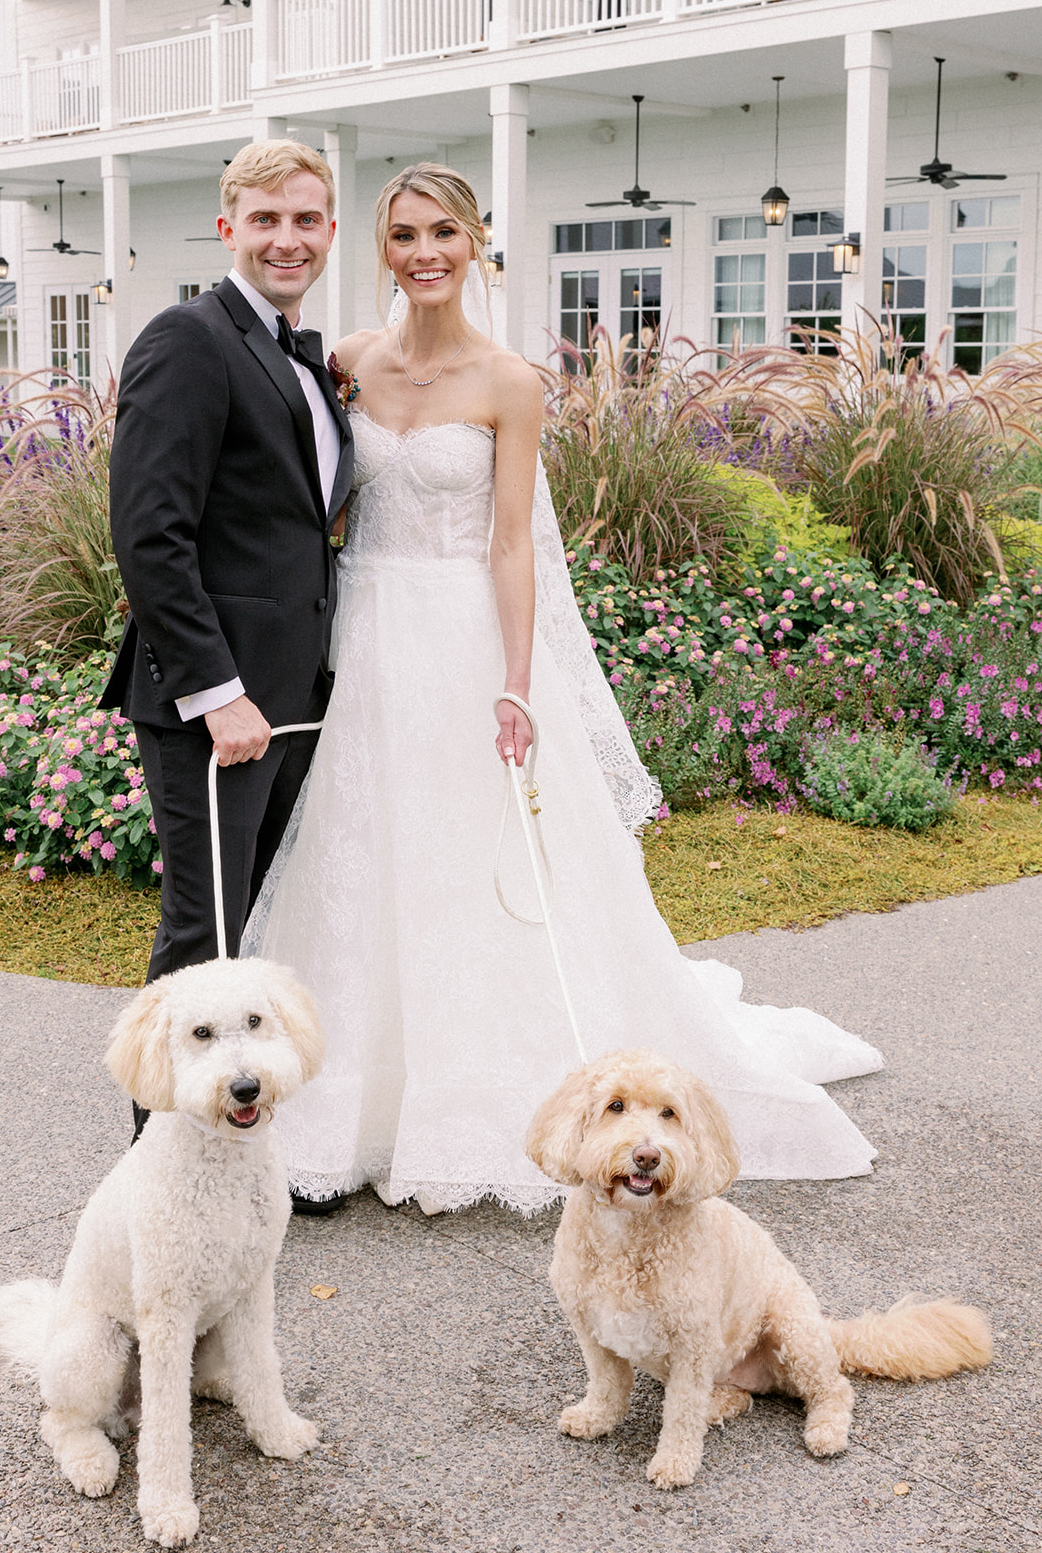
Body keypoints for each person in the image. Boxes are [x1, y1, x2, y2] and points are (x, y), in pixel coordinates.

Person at [241, 163, 883, 1216]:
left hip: (458, 634)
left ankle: (473, 1100)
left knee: (467, 854)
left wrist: (517, 683)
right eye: (403, 235)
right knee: (362, 850)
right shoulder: (346, 360)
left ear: (475, 242)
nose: (423, 254)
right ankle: (346, 1103)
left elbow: (511, 546)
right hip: (362, 631)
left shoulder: (510, 382)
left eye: (443, 232)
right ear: (382, 248)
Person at [102, 140, 353, 1211]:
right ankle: (160, 1176)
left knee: (263, 929)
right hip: (221, 708)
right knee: (205, 939)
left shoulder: (303, 354)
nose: (287, 237)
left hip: (297, 701)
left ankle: (244, 1157)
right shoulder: (188, 341)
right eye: (266, 219)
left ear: (329, 231)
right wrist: (217, 692)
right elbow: (149, 532)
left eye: (306, 219)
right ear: (228, 228)